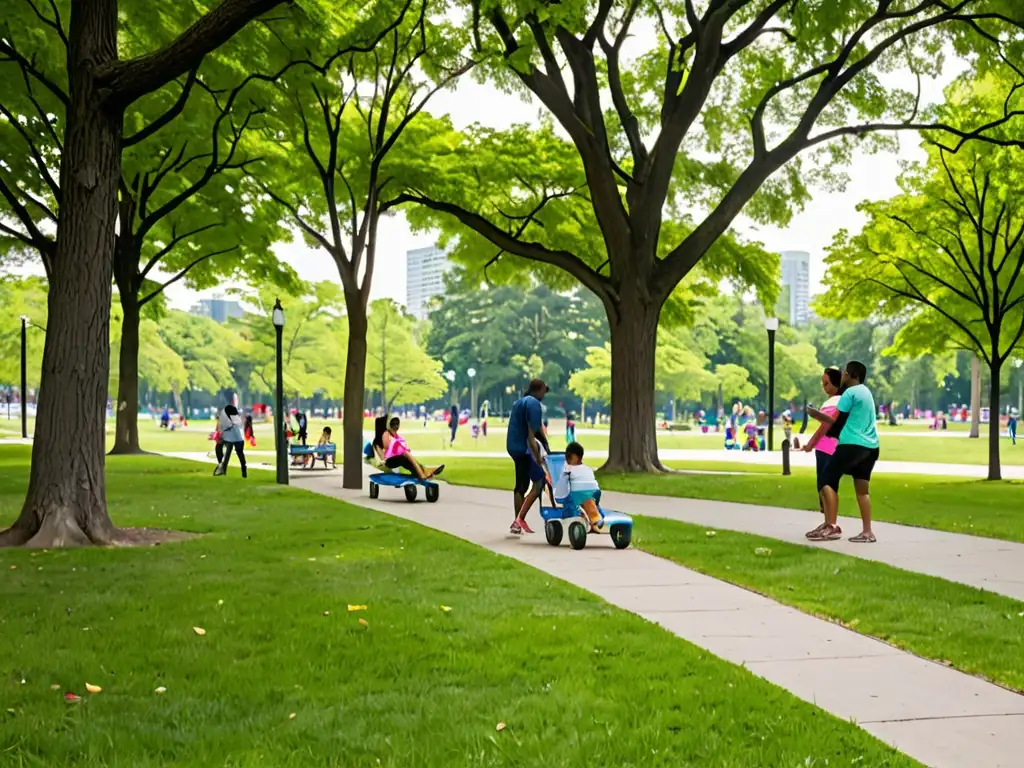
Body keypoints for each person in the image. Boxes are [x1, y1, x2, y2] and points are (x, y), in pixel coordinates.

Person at [808, 361, 879, 543]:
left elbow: (834, 420)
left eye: (845, 373)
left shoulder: (850, 393)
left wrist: (815, 415)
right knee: (862, 491)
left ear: (852, 375)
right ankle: (867, 532)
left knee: (826, 479)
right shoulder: (866, 392)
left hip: (851, 445)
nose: (843, 376)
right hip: (871, 447)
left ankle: (831, 526)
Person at [802, 368, 842, 538]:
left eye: (827, 383)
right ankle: (827, 522)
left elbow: (826, 425)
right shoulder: (833, 401)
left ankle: (832, 525)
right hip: (824, 446)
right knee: (823, 485)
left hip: (830, 446)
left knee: (827, 484)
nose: (824, 387)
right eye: (823, 383)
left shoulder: (837, 401)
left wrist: (811, 443)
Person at [507, 378, 550, 535]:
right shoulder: (533, 404)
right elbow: (532, 435)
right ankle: (519, 520)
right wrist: (538, 456)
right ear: (539, 389)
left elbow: (532, 428)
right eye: (544, 391)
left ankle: (516, 522)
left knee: (520, 486)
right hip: (526, 449)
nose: (544, 395)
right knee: (539, 482)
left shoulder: (519, 402)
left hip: (514, 447)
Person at [555, 442, 603, 532]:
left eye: (568, 457)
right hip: (596, 492)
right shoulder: (588, 468)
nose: (566, 460)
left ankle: (594, 518)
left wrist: (558, 495)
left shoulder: (568, 469)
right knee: (590, 502)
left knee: (577, 500)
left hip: (581, 494)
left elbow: (562, 484)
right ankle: (596, 517)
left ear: (576, 457)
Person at [213, 404, 246, 478]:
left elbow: (225, 427)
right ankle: (244, 472)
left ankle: (222, 467)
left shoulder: (226, 417)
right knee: (239, 454)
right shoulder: (235, 417)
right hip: (238, 438)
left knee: (226, 452)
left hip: (233, 437)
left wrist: (221, 434)